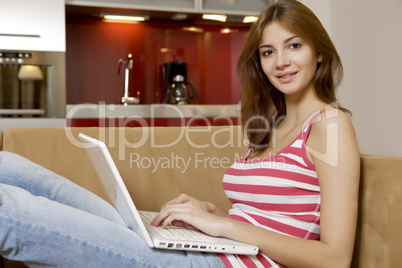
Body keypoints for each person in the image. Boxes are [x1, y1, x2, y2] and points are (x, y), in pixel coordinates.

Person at [0, 0, 360, 267]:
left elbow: (335, 258)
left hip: (222, 263)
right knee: (14, 168)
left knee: (13, 213)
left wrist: (224, 228)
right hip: (215, 247)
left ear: (320, 54)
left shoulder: (329, 125)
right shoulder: (269, 126)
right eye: (268, 52)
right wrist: (214, 213)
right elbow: (265, 217)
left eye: (294, 45)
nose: (280, 61)